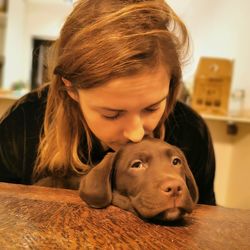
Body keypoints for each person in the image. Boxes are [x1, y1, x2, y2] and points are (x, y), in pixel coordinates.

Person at [0, 0, 216, 205]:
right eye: (112, 114)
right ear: (71, 89)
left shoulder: (190, 133)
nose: (136, 133)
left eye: (152, 108)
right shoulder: (23, 126)